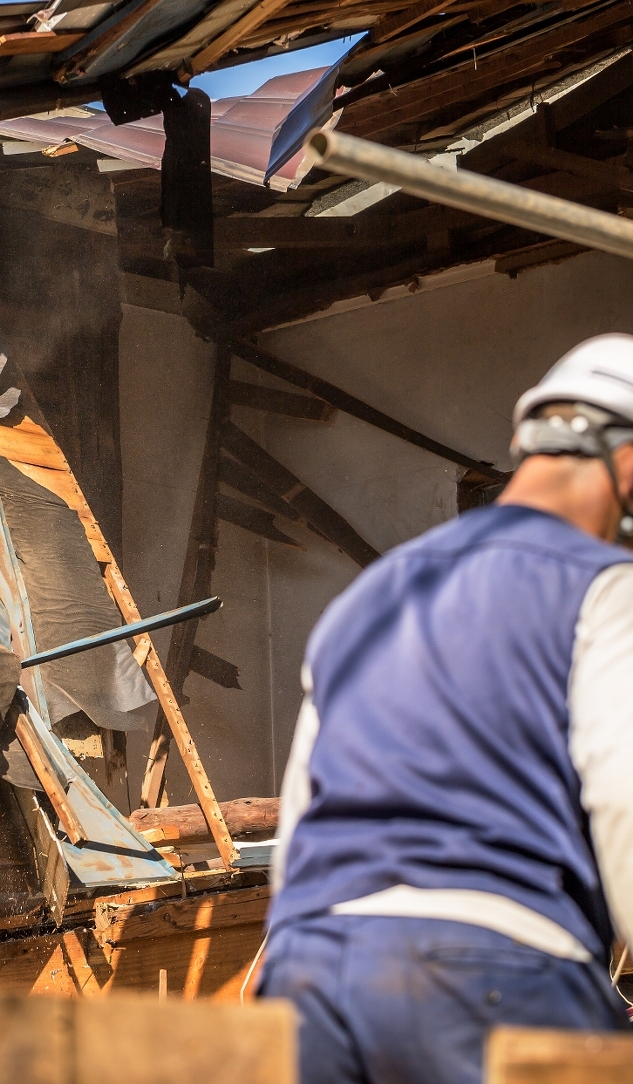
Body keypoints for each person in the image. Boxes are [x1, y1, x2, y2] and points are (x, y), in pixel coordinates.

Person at [258, 334, 633, 1084]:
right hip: (496, 969)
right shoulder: (604, 585)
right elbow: (624, 791)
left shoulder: (372, 595)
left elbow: (300, 812)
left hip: (310, 977)